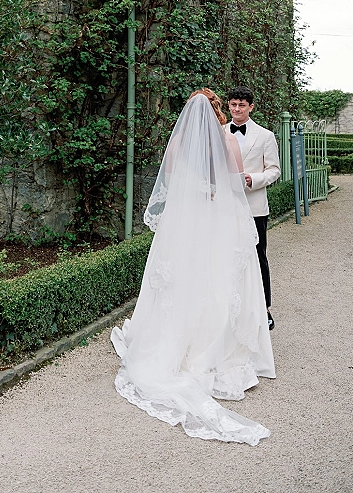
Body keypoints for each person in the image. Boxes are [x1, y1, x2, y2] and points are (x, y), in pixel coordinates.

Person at [111, 89, 275, 445]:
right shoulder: (229, 141)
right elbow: (233, 184)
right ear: (219, 110)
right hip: (217, 218)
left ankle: (178, 339)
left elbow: (169, 180)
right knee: (217, 278)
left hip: (187, 221)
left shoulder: (176, 145)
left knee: (184, 276)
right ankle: (215, 343)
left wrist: (195, 192)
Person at [226, 87, 280, 330]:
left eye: (241, 105)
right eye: (233, 104)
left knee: (258, 256)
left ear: (251, 107)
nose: (236, 109)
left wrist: (253, 179)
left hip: (254, 206)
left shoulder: (265, 136)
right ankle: (229, 307)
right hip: (225, 206)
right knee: (226, 256)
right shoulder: (219, 132)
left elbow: (274, 170)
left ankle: (264, 308)